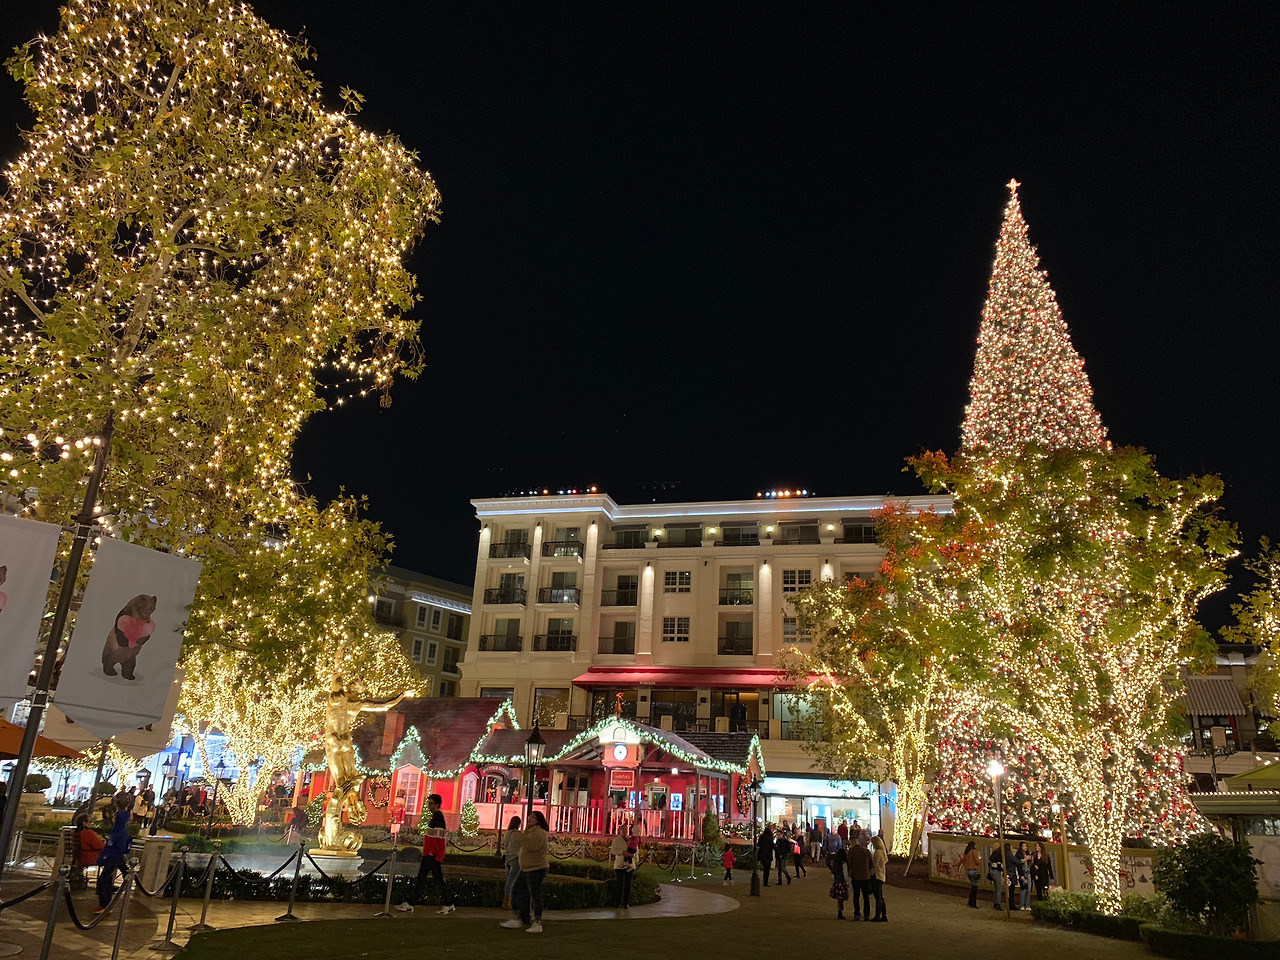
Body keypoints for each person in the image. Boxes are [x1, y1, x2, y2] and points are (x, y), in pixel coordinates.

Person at [403, 794, 455, 915]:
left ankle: (448, 904)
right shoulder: (435, 817)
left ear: (437, 804)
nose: (429, 806)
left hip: (432, 855)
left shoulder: (438, 818)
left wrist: (432, 853)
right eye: (429, 803)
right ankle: (410, 903)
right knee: (421, 879)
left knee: (437, 880)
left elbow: (438, 839)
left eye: (431, 803)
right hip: (429, 854)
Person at [510, 810, 549, 933]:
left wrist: (521, 837)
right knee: (518, 890)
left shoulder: (539, 833)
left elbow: (532, 846)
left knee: (535, 894)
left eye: (532, 817)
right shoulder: (530, 832)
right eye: (529, 817)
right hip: (527, 867)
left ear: (538, 820)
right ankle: (522, 918)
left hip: (536, 867)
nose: (529, 819)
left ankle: (537, 922)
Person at [95, 806, 132, 913]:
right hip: (113, 857)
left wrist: (107, 853)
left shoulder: (120, 831)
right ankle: (105, 903)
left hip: (113, 857)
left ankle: (104, 904)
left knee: (103, 880)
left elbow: (118, 847)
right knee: (106, 880)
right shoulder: (120, 830)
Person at [72, 814, 104, 889]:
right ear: (84, 823)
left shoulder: (77, 832)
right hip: (89, 857)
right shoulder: (88, 833)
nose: (91, 823)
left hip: (80, 857)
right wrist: (104, 842)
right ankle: (104, 884)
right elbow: (98, 846)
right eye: (90, 821)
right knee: (112, 862)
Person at [845, 834, 872, 920]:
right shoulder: (866, 851)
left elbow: (849, 864)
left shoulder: (851, 852)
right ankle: (867, 914)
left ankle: (857, 913)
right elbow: (871, 864)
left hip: (856, 876)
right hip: (866, 876)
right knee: (866, 896)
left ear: (852, 843)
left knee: (856, 896)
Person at [500, 816, 523, 917]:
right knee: (512, 882)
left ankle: (506, 900)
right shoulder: (518, 835)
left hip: (508, 859)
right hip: (515, 859)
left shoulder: (507, 833)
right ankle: (508, 902)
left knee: (509, 880)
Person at [609, 824, 636, 908]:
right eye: (623, 830)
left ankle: (626, 903)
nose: (625, 831)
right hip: (620, 865)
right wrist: (622, 852)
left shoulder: (631, 840)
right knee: (619, 884)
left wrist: (632, 855)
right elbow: (613, 850)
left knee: (628, 885)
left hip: (630, 865)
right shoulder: (616, 840)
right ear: (620, 831)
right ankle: (617, 902)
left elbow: (636, 850)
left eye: (626, 830)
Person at [827, 833, 849, 919]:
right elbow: (845, 874)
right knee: (841, 898)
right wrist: (847, 882)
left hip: (837, 882)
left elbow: (833, 873)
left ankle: (840, 911)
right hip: (842, 882)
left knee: (839, 899)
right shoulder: (843, 863)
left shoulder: (835, 864)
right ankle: (840, 912)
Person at [869, 835, 888, 922]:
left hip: (877, 876)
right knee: (880, 896)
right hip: (881, 876)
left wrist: (870, 873)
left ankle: (878, 915)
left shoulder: (878, 852)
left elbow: (875, 865)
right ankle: (883, 915)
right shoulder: (882, 852)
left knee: (878, 897)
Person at [960, 840, 983, 909]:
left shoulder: (966, 852)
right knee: (975, 887)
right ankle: (973, 903)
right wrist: (980, 859)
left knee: (973, 886)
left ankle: (970, 902)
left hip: (967, 870)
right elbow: (977, 861)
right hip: (973, 870)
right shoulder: (974, 851)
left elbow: (963, 861)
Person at [1012, 841, 1031, 910]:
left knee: (1028, 889)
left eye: (1026, 846)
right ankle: (1022, 905)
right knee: (1023, 889)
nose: (1025, 847)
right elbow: (1018, 865)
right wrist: (1021, 875)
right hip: (1022, 873)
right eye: (1023, 846)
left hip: (1028, 872)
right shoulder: (1018, 855)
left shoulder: (1028, 854)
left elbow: (1030, 864)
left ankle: (1028, 905)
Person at [988, 843, 1006, 909]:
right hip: (997, 872)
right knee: (999, 888)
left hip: (992, 871)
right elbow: (999, 866)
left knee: (996, 888)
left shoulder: (992, 854)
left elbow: (989, 863)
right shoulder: (999, 855)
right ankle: (998, 903)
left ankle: (995, 902)